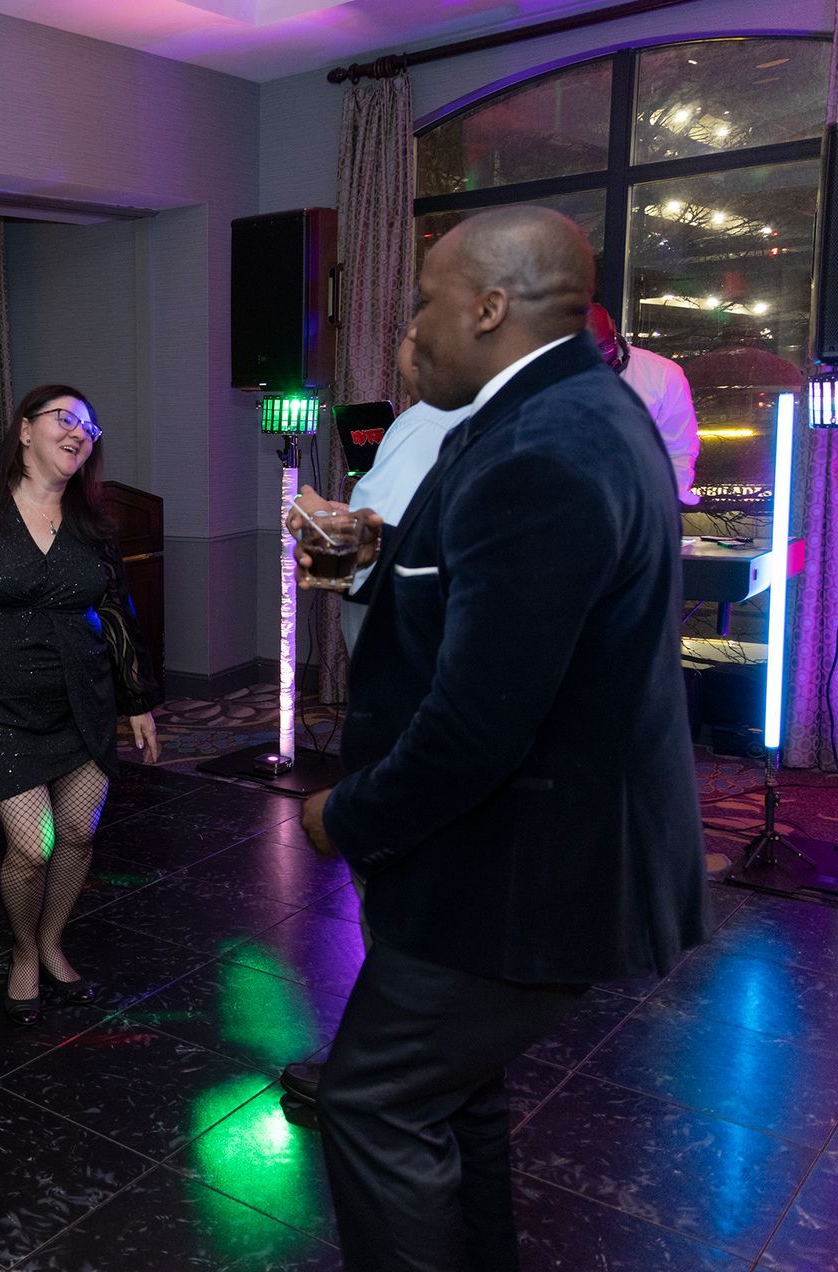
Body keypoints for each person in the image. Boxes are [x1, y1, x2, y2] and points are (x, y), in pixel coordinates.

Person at [296, 206, 706, 1271]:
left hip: (520, 879)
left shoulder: (547, 444)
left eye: (425, 302)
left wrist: (347, 815)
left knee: (375, 1106)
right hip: (506, 869)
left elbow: (482, 722)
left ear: (487, 306)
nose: (414, 330)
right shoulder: (561, 412)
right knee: (454, 1101)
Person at [0, 385, 161, 1026]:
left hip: (82, 695)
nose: (80, 431)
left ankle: (52, 941)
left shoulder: (94, 523)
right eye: (65, 418)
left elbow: (116, 612)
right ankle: (24, 948)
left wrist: (136, 696)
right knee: (32, 847)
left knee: (78, 836)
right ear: (25, 431)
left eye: (90, 424)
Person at [279, 332, 471, 1110]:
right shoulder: (453, 423)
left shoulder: (430, 424)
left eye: (429, 313)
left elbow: (365, 556)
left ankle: (380, 1068)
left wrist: (325, 525)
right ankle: (423, 1059)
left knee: (394, 887)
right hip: (427, 681)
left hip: (409, 691)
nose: (408, 334)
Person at [587, 302, 700, 506]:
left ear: (614, 330)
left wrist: (665, 507)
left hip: (635, 509)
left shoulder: (663, 375)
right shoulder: (540, 373)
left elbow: (678, 451)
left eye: (602, 348)